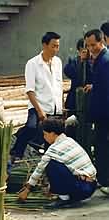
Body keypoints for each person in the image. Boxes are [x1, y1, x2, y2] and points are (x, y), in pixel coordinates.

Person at [18, 118, 97, 209]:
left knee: (51, 165)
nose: (44, 137)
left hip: (82, 189)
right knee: (56, 164)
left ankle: (64, 198)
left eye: (45, 134)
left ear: (52, 134)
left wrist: (27, 190)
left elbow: (39, 170)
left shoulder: (53, 149)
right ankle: (70, 196)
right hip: (91, 186)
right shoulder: (70, 140)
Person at [10, 32, 63, 161]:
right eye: (53, 46)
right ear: (44, 45)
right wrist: (39, 111)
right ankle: (16, 151)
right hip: (38, 105)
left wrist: (62, 106)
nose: (56, 49)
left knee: (50, 137)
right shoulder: (32, 64)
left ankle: (47, 162)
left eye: (57, 46)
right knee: (31, 127)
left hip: (55, 107)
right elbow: (30, 90)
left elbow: (59, 86)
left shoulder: (58, 62)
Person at [84, 29, 109, 194]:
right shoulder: (99, 59)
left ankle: (105, 180)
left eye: (93, 45)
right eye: (88, 45)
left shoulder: (105, 61)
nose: (91, 48)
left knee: (103, 146)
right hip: (102, 113)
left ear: (102, 41)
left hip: (104, 114)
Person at [64, 38, 92, 115]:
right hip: (74, 99)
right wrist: (81, 62)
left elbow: (93, 76)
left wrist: (87, 62)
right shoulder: (73, 61)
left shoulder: (93, 61)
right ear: (78, 51)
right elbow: (68, 72)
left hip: (89, 97)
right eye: (81, 50)